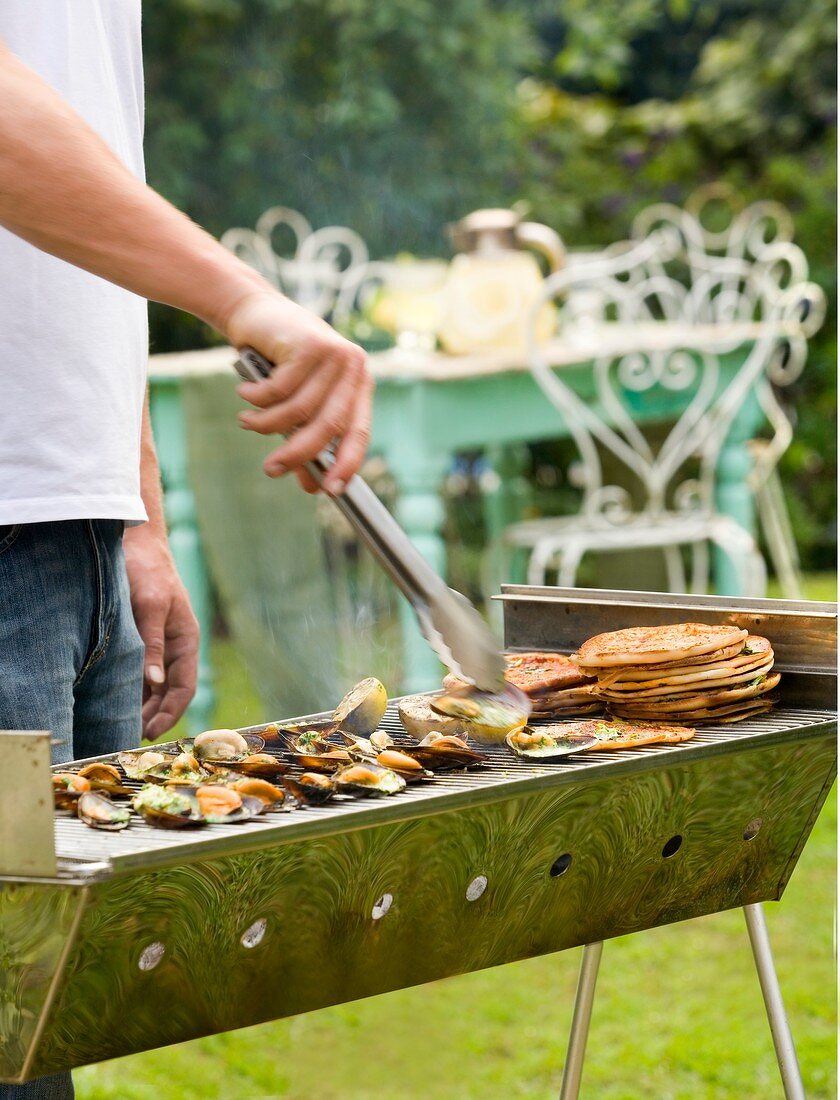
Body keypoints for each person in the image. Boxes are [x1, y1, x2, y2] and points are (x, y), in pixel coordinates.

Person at [0, 5, 372, 1098]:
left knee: (35, 1033)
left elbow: (81, 182)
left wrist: (134, 505)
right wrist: (246, 297)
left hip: (70, 524)